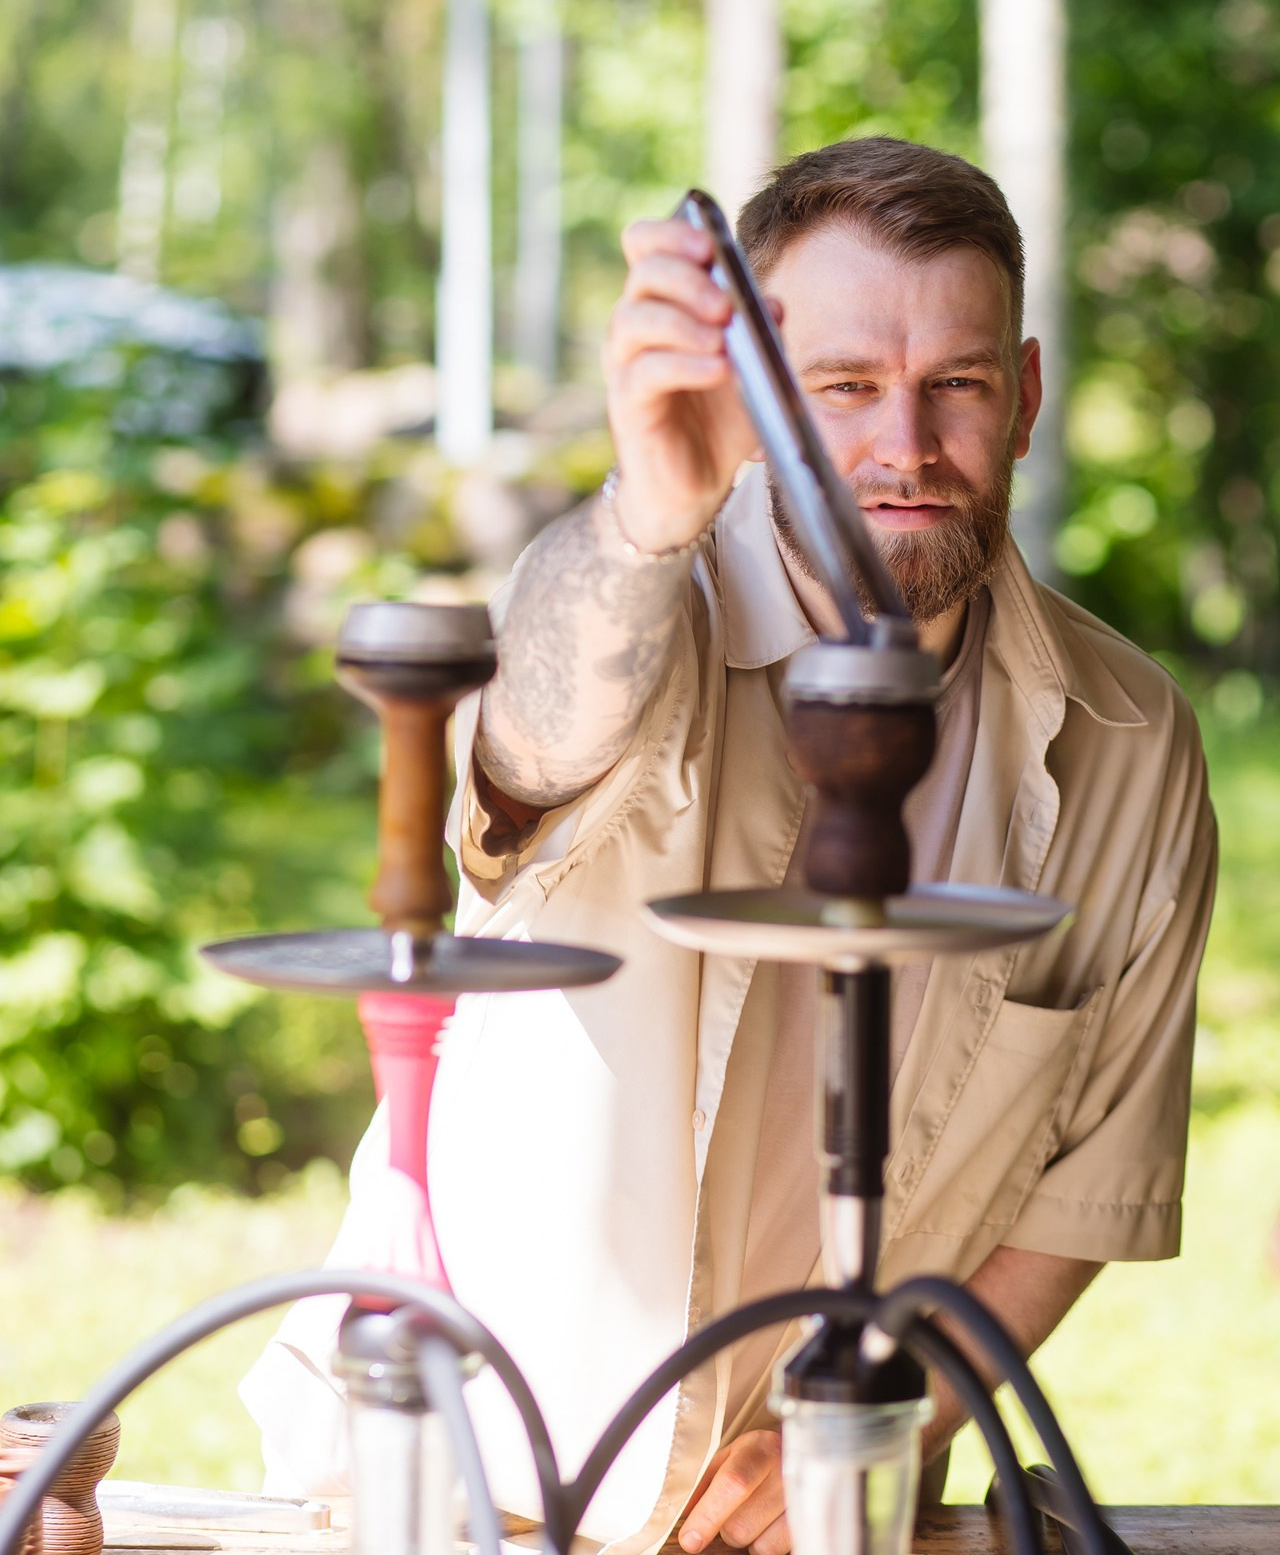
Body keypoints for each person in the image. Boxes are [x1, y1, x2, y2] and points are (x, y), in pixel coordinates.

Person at [245, 137, 1216, 1555]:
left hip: (821, 1516)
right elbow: (527, 750)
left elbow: (1087, 1189)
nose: (906, 444)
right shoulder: (633, 598)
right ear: (759, 393)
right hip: (459, 1473)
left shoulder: (1136, 741)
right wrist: (650, 511)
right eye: (843, 387)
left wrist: (878, 1422)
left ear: (1026, 397)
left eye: (957, 383)